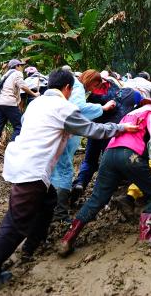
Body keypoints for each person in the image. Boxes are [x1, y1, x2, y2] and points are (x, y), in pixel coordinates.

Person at [0, 69, 138, 295]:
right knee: (15, 224)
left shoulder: (35, 104)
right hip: (32, 171)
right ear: (68, 88)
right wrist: (120, 128)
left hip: (24, 164)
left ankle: (32, 245)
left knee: (48, 201)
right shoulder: (63, 107)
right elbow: (93, 130)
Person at [57, 98, 151, 258]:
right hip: (131, 155)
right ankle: (146, 236)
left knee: (97, 199)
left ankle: (67, 239)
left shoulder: (132, 114)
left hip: (110, 154)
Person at [51, 69, 116, 223]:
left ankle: (53, 204)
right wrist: (103, 108)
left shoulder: (47, 98)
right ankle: (60, 212)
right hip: (67, 134)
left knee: (57, 169)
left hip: (57, 134)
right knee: (65, 169)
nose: (95, 89)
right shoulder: (78, 87)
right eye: (95, 85)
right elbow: (79, 107)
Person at [0, 59, 38, 161]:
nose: (22, 68)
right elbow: (22, 86)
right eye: (21, 66)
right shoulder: (17, 73)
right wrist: (34, 94)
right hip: (8, 103)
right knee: (19, 126)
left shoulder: (5, 75)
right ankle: (10, 151)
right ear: (17, 66)